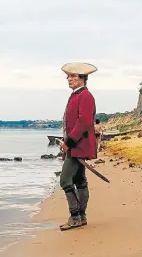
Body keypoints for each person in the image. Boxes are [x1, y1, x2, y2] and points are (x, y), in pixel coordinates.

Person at [58, 62, 98, 231]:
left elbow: (83, 123)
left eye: (73, 76)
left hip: (78, 146)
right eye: (68, 76)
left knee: (65, 181)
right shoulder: (76, 95)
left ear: (83, 78)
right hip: (75, 145)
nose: (69, 78)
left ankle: (75, 217)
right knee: (79, 180)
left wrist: (68, 143)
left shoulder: (85, 96)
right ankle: (81, 217)